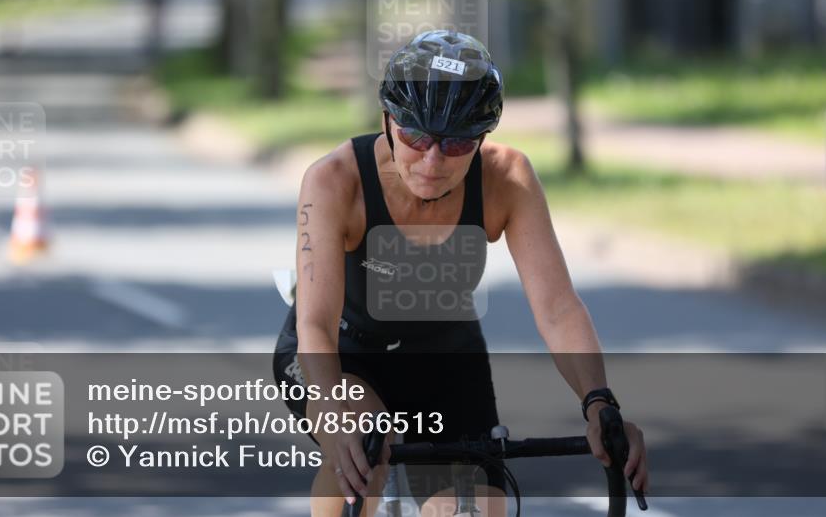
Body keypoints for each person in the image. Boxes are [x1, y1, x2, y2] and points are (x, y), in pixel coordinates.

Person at [273, 30, 648, 516]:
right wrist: (331, 412)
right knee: (362, 452)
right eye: (416, 136)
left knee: (474, 509)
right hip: (341, 351)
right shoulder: (334, 181)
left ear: (482, 138)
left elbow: (557, 308)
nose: (432, 161)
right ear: (388, 120)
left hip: (444, 350)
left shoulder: (506, 179)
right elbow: (315, 325)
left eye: (455, 144)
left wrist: (599, 403)